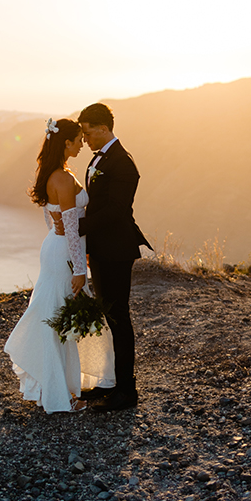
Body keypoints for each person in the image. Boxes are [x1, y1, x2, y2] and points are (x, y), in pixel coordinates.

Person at [4, 118, 114, 413]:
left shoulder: (55, 174)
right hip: (64, 253)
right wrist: (80, 269)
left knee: (56, 318)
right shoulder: (63, 179)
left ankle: (56, 390)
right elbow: (72, 229)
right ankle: (61, 396)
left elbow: (54, 221)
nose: (82, 143)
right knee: (59, 322)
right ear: (66, 143)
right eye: (78, 139)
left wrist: (63, 235)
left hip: (55, 246)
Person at [78, 102, 152, 412]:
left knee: (119, 318)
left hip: (117, 249)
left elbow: (115, 210)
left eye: (87, 133)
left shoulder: (123, 163)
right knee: (107, 317)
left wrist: (77, 226)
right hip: (101, 247)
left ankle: (127, 392)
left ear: (104, 129)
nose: (85, 140)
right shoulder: (100, 159)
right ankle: (109, 382)